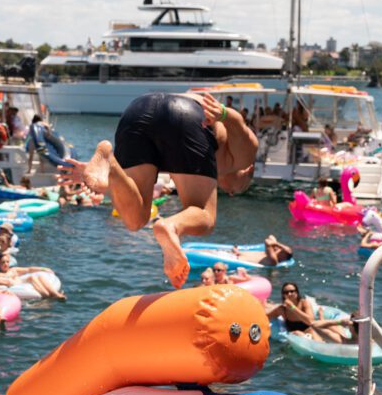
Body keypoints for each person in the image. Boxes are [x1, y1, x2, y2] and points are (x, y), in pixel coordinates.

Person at [58, 91, 257, 288]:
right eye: (240, 189)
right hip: (185, 113)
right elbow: (242, 128)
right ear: (248, 170)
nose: (231, 193)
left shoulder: (211, 159)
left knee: (135, 219)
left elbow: (157, 153)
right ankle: (170, 226)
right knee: (206, 215)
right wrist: (224, 113)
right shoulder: (241, 161)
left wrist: (108, 185)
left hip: (137, 109)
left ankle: (110, 164)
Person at [0, 253, 65, 299]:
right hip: (15, 286)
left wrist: (44, 269)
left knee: (39, 277)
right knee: (32, 277)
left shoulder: (14, 270)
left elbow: (29, 269)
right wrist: (8, 281)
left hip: (21, 282)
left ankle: (54, 294)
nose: (6, 264)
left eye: (7, 262)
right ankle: (50, 295)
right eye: (3, 262)